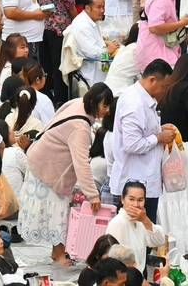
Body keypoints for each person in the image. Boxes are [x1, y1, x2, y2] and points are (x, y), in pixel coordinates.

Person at [19, 83, 114, 264]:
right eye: (105, 105)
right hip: (48, 168)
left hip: (41, 158)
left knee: (58, 211)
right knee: (58, 213)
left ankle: (58, 252)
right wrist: (93, 195)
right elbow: (82, 164)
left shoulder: (78, 102)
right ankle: (59, 254)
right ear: (94, 102)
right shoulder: (80, 128)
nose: (107, 110)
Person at [108, 59, 177, 221]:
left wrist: (159, 130)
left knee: (145, 231)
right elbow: (132, 144)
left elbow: (143, 131)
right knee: (135, 233)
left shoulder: (143, 99)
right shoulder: (134, 102)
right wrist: (159, 137)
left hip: (145, 181)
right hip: (135, 185)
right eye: (164, 86)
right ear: (152, 80)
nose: (165, 91)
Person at [106, 181, 167, 271]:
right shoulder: (117, 223)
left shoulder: (141, 221)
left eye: (140, 200)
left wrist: (145, 220)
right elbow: (113, 261)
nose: (136, 205)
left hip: (139, 274)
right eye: (131, 199)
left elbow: (159, 241)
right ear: (122, 199)